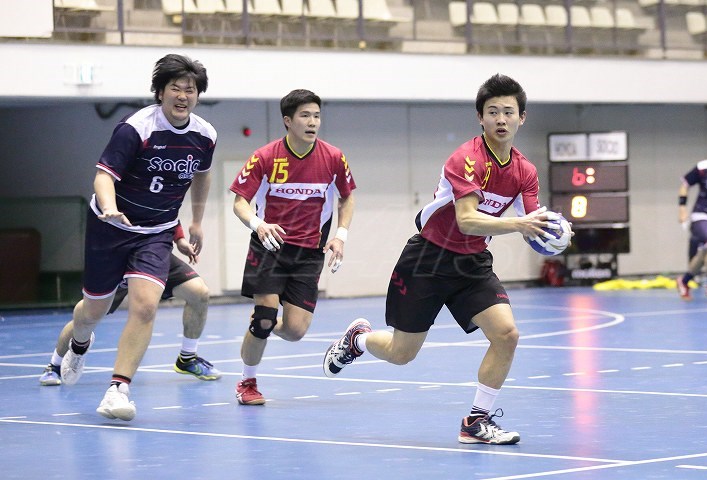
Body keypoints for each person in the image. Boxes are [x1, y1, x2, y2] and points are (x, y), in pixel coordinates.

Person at [323, 74, 565, 445]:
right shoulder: (466, 159)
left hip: (472, 263)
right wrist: (520, 224)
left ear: (522, 118)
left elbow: (533, 222)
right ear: (480, 117)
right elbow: (467, 220)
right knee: (402, 353)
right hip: (428, 259)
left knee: (507, 335)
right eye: (492, 112)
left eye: (508, 112)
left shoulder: (525, 172)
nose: (501, 119)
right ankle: (359, 340)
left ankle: (476, 421)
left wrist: (550, 233)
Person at [44, 54, 216, 421]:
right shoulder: (135, 128)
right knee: (93, 311)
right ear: (160, 92)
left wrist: (196, 222)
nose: (183, 96)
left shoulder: (205, 136)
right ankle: (79, 343)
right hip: (110, 229)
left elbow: (202, 175)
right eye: (175, 88)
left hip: (155, 234)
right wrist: (109, 207)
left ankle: (118, 389)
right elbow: (104, 176)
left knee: (146, 306)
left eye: (190, 90)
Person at [230, 89, 356, 405]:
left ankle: (264, 321)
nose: (312, 122)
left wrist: (340, 235)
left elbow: (347, 198)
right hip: (269, 246)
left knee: (295, 331)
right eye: (305, 116)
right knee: (264, 318)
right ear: (288, 121)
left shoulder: (333, 158)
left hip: (309, 253)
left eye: (316, 116)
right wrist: (258, 224)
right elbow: (240, 202)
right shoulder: (265, 157)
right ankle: (247, 382)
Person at [39, 224, 221, 386]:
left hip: (153, 252)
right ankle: (54, 365)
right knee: (89, 314)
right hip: (120, 254)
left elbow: (167, 211)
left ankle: (187, 358)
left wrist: (179, 238)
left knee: (198, 292)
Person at [677, 132, 707, 300]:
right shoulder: (704, 167)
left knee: (705, 254)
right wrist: (682, 209)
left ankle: (684, 281)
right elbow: (685, 184)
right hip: (703, 215)